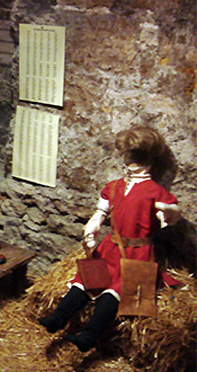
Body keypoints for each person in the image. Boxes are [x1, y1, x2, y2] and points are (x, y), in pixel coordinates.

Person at [38, 126, 182, 352]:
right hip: (110, 247)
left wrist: (169, 211)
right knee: (85, 281)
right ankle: (57, 318)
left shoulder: (155, 192)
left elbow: (173, 214)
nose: (131, 161)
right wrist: (90, 231)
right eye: (130, 156)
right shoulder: (114, 187)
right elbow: (100, 214)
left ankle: (88, 337)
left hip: (138, 253)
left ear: (148, 159)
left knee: (116, 292)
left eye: (136, 157)